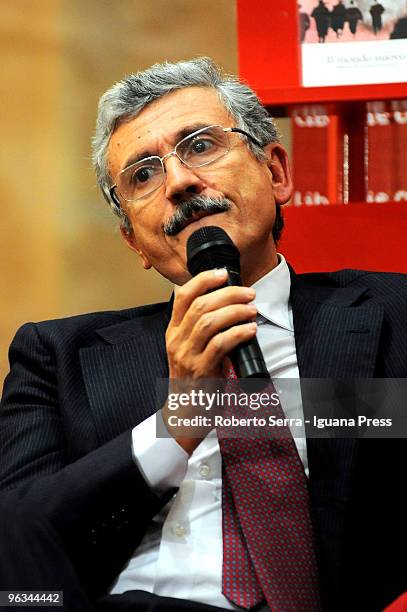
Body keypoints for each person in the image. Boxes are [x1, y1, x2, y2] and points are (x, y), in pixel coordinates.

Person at [1, 57, 407, 612]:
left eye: (200, 146)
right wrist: (179, 422)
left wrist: (299, 406)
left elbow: (384, 418)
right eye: (143, 175)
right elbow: (17, 551)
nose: (181, 182)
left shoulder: (391, 314)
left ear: (277, 172)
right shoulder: (58, 356)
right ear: (133, 242)